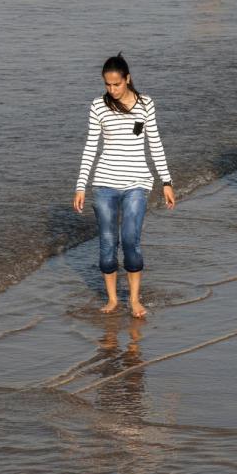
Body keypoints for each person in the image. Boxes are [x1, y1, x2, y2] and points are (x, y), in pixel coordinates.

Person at [73, 53, 175, 319]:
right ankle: (112, 300)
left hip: (137, 183)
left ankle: (135, 300)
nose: (112, 90)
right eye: (107, 85)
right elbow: (90, 147)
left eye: (116, 84)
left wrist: (166, 181)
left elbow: (155, 142)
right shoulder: (98, 106)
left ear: (127, 79)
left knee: (131, 240)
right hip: (104, 185)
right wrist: (80, 185)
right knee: (107, 244)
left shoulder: (146, 104)